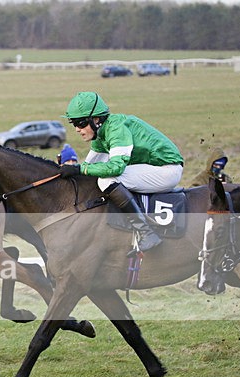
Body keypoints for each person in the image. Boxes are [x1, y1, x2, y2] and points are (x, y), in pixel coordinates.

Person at [59, 91, 184, 254]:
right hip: (153, 168)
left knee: (106, 180)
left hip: (168, 170)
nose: (77, 129)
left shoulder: (117, 129)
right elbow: (88, 167)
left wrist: (79, 168)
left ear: (96, 119)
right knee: (95, 177)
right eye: (73, 124)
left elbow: (116, 167)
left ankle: (147, 233)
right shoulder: (100, 134)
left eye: (81, 123)